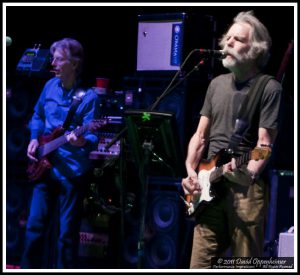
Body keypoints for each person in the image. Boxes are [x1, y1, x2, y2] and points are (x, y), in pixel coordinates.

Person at [181, 11, 282, 268]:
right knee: (199, 265)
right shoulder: (216, 84)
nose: (228, 44)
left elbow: (263, 146)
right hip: (208, 188)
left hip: (244, 190)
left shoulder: (268, 88)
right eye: (227, 38)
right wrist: (191, 172)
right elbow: (200, 136)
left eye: (237, 40)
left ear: (256, 49)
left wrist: (251, 172)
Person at [21, 38, 101, 268]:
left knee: (66, 237)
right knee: (33, 228)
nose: (53, 62)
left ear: (74, 64)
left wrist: (81, 140)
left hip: (72, 172)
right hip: (44, 167)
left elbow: (93, 137)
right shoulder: (49, 87)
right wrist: (34, 139)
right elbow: (37, 115)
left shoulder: (89, 97)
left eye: (58, 59)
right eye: (53, 57)